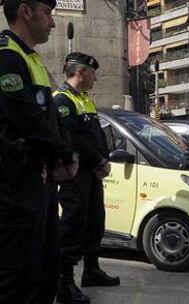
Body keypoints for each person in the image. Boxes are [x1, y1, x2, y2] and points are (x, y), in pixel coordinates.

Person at [0, 1, 79, 303]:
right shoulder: (7, 56)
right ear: (25, 11)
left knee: (46, 270)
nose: (53, 23)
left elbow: (53, 120)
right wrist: (66, 155)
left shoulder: (33, 60)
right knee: (18, 279)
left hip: (41, 186)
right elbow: (27, 119)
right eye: (48, 13)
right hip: (15, 188)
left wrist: (66, 153)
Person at [54, 52, 120, 304]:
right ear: (81, 72)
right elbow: (74, 139)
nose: (96, 78)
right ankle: (64, 283)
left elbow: (96, 135)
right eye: (93, 73)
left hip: (92, 174)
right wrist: (99, 161)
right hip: (76, 174)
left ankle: (91, 271)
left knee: (95, 223)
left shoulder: (84, 99)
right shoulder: (62, 99)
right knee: (72, 226)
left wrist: (104, 158)